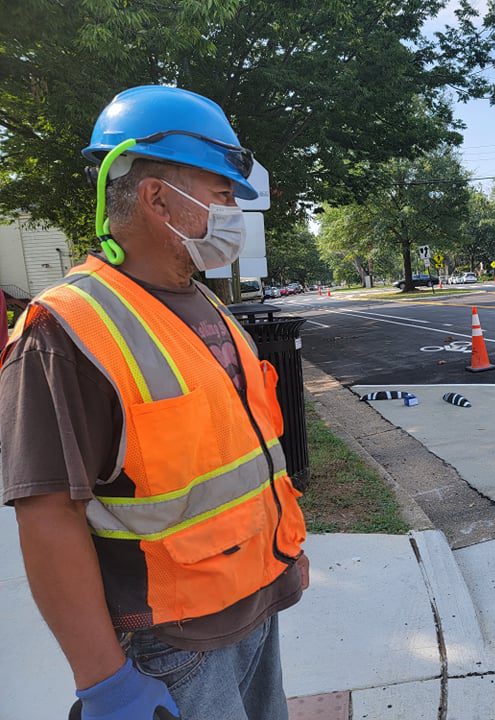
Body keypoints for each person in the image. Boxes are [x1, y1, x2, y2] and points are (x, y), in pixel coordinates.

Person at [0, 86, 308, 719]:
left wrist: (283, 559)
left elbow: (244, 455)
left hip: (252, 612)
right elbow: (47, 517)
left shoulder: (203, 301)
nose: (234, 214)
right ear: (158, 197)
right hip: (171, 649)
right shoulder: (64, 331)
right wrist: (106, 683)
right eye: (222, 195)